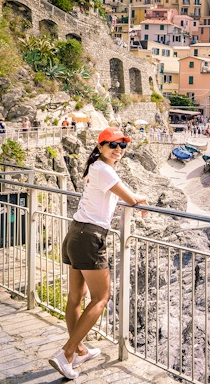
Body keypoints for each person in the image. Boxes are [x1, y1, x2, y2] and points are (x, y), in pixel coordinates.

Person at [49, 127, 147, 379]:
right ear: (100, 146)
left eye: (122, 145)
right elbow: (130, 198)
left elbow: (122, 196)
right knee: (101, 298)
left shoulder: (96, 167)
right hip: (90, 238)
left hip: (75, 233)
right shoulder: (105, 170)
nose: (118, 150)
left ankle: (79, 349)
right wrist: (140, 200)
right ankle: (67, 352)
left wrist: (135, 197)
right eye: (112, 145)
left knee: (76, 297)